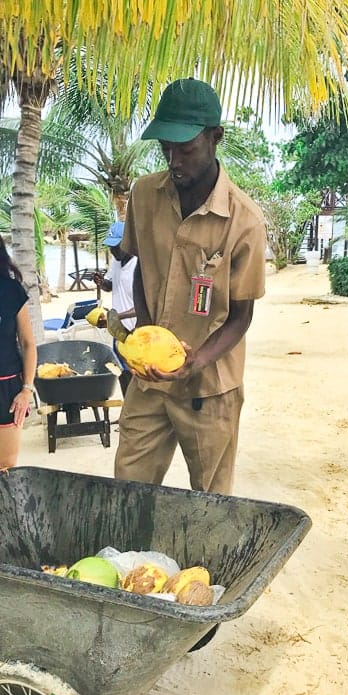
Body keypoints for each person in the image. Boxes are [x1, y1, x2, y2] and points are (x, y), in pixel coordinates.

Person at [114, 77, 267, 494]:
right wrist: (147, 338)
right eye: (166, 147)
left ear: (216, 137)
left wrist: (195, 362)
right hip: (150, 381)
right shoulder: (144, 195)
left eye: (186, 148)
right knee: (128, 489)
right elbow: (143, 266)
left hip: (210, 388)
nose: (174, 159)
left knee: (210, 502)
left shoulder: (244, 221)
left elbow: (241, 316)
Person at [0, 236, 37, 469]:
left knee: (5, 467)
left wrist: (27, 389)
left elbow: (28, 344)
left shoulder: (11, 290)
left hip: (8, 388)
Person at [93, 221, 137, 396]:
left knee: (136, 374)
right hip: (117, 328)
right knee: (122, 372)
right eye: (110, 247)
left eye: (116, 247)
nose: (113, 251)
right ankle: (127, 411)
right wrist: (101, 282)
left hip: (135, 329)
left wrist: (117, 316)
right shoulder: (116, 261)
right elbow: (111, 285)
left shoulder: (138, 265)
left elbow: (145, 305)